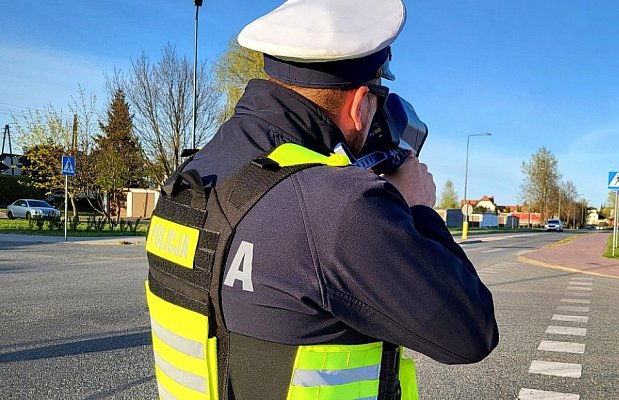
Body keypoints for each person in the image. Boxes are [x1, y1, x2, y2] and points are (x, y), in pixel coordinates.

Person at [143, 1, 498, 399]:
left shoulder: (192, 177)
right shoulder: (337, 207)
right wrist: (416, 207)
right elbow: (471, 332)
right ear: (359, 105)